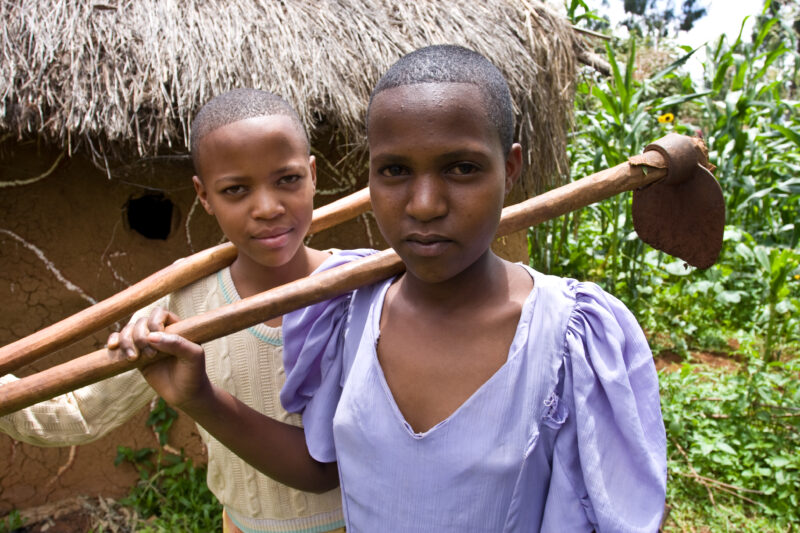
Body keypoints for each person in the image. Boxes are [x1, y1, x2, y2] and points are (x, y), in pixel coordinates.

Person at [131, 46, 667, 532]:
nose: (425, 204)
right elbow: (322, 471)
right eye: (394, 170)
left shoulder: (573, 337)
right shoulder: (346, 311)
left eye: (462, 168)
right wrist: (200, 398)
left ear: (510, 168)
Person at [0, 89, 345, 533]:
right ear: (203, 196)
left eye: (288, 180)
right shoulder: (182, 303)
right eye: (236, 189)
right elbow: (81, 413)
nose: (267, 208)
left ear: (312, 174)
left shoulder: (361, 287)